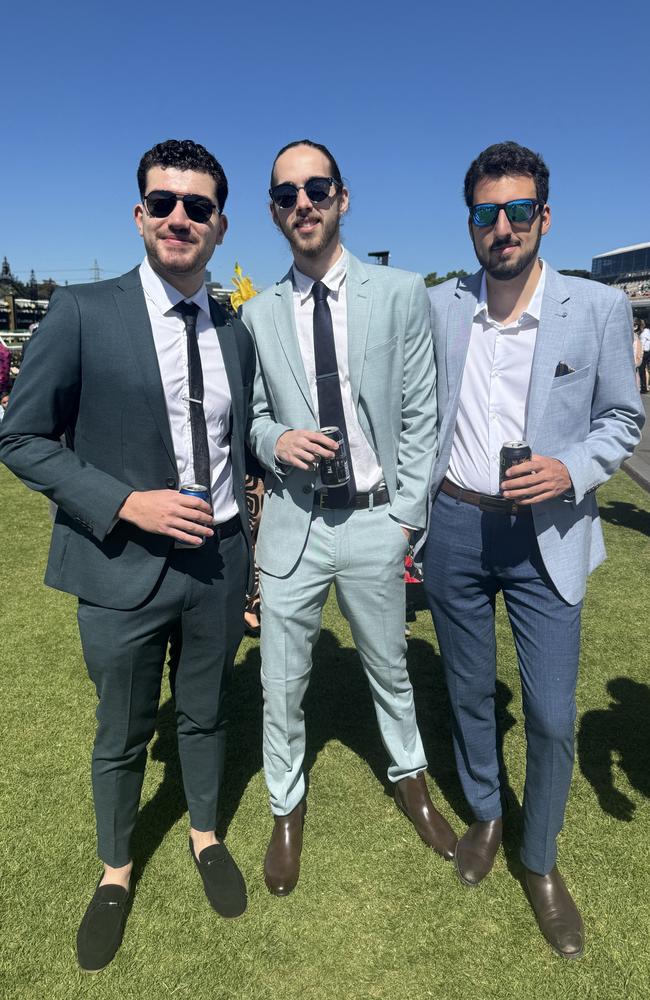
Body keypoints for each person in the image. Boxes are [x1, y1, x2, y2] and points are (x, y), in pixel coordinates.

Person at [0, 139, 254, 971]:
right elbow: (23, 437)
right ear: (140, 213)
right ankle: (116, 869)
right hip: (118, 565)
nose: (180, 217)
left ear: (220, 224)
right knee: (122, 727)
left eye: (198, 206)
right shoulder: (80, 311)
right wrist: (124, 502)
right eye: (164, 202)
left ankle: (206, 833)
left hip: (216, 565)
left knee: (207, 710)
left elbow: (236, 441)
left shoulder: (234, 330)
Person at [422, 141, 644, 959]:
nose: (504, 227)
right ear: (471, 224)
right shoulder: (444, 306)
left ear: (544, 217)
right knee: (469, 690)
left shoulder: (596, 309)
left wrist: (571, 468)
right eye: (488, 214)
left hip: (549, 533)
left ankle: (540, 859)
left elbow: (623, 420)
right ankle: (485, 811)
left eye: (519, 211)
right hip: (455, 524)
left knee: (551, 717)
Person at [241, 139, 457, 898]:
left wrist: (404, 519)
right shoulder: (258, 315)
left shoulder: (401, 293)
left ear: (342, 197)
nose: (303, 202)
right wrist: (276, 441)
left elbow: (425, 414)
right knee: (281, 682)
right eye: (287, 194)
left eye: (317, 187)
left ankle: (413, 784)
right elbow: (255, 419)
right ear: (274, 211)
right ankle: (285, 808)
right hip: (294, 525)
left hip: (374, 523)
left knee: (390, 671)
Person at [639, 319, 650, 393]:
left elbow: (642, 344)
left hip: (645, 353)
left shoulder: (644, 333)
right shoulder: (648, 332)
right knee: (645, 369)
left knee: (641, 370)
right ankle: (645, 386)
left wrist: (640, 354)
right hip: (647, 352)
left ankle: (643, 387)